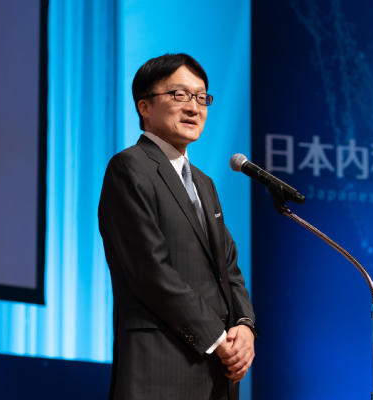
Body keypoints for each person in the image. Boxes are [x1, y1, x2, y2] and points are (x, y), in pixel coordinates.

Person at [98, 53, 256, 400]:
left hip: (217, 375)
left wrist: (245, 327)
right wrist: (217, 338)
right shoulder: (130, 168)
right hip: (160, 368)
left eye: (201, 98)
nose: (194, 108)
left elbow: (228, 269)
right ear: (144, 106)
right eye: (179, 95)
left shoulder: (204, 183)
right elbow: (149, 270)